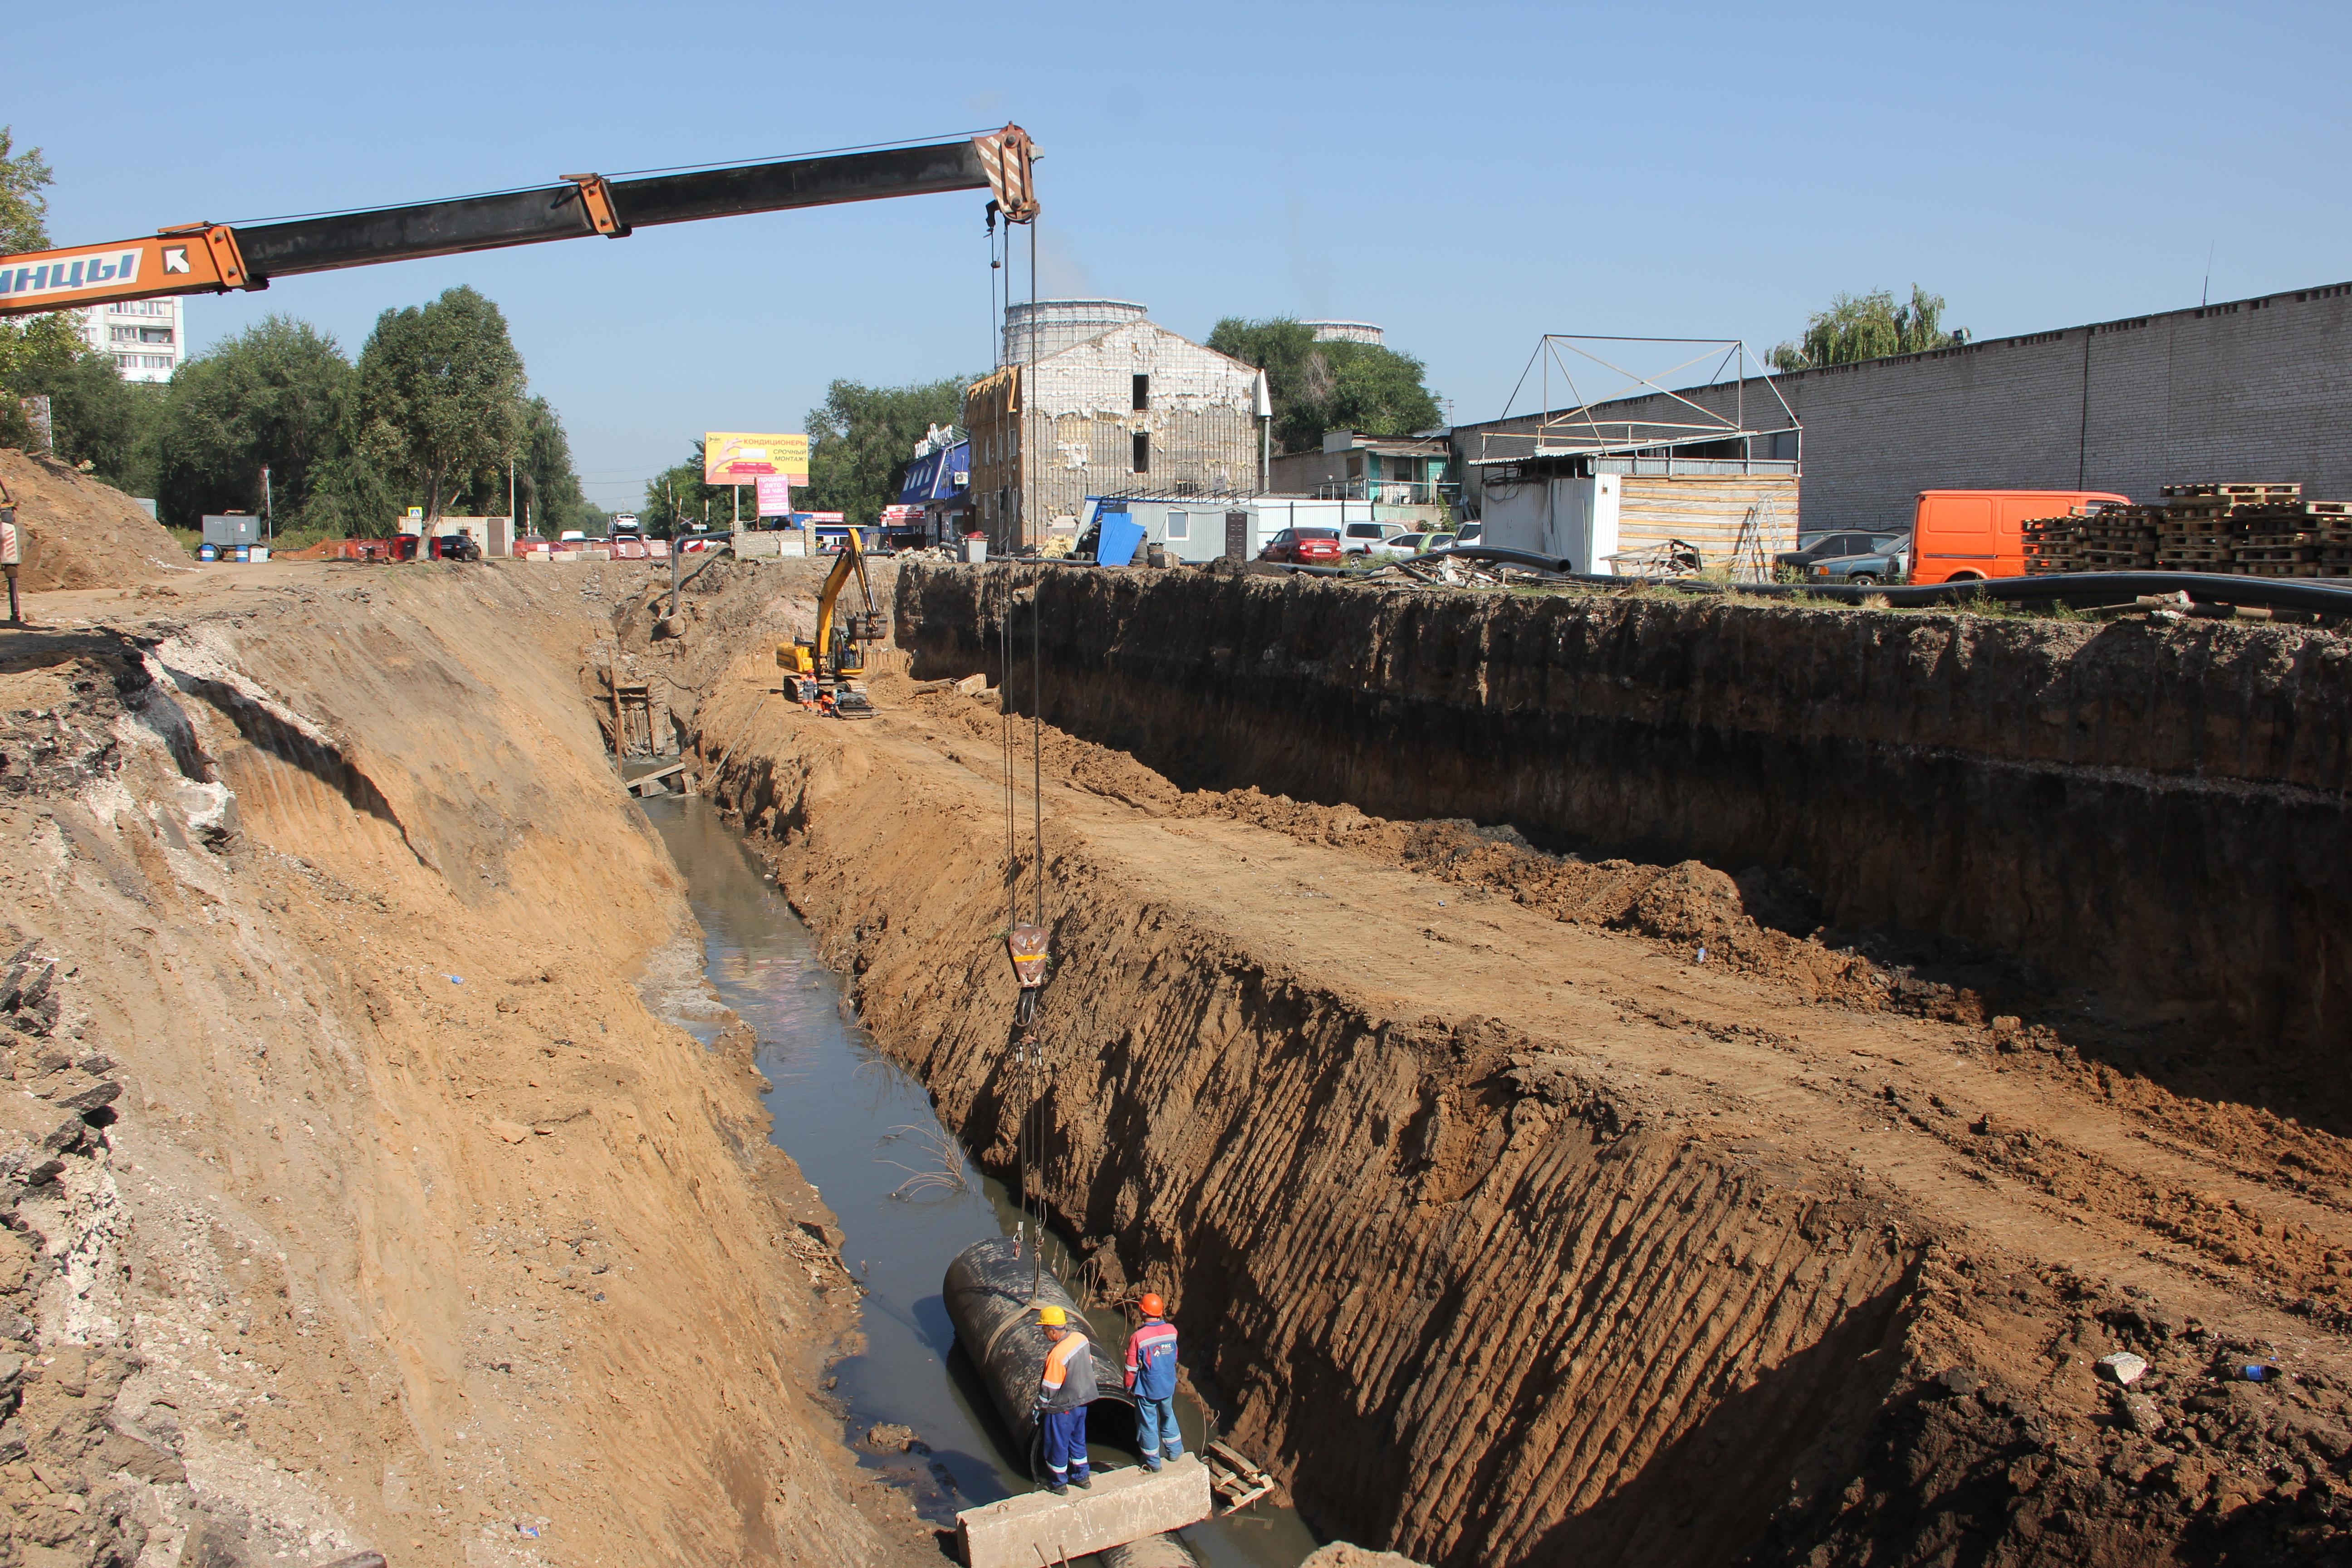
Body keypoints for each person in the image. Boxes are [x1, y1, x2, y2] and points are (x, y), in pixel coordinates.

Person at [1031, 1304, 1095, 1495]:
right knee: (1078, 1440)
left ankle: (1059, 1484)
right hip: (1082, 1402)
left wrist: (1038, 1407)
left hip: (1063, 1407)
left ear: (1053, 1330)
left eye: (1045, 1331)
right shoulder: (1081, 1339)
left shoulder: (1057, 1355)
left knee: (1057, 1444)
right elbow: (1090, 1364)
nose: (1045, 1335)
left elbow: (1049, 1388)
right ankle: (1082, 1477)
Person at [1124, 1292, 1182, 1471]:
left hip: (1147, 1389)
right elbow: (1174, 1356)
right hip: (1168, 1386)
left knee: (1148, 1424)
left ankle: (1153, 1463)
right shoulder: (1172, 1331)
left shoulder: (1138, 1337)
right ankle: (1175, 1452)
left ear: (1143, 1312)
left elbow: (1131, 1368)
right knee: (1168, 1416)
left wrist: (1128, 1386)